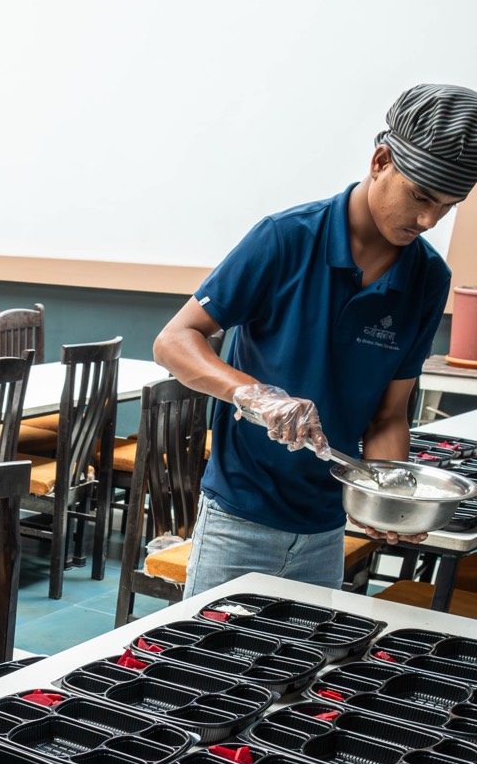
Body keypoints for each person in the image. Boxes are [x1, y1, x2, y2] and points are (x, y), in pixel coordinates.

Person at [154, 83, 477, 598]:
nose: (427, 221)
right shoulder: (285, 239)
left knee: (301, 671)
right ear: (381, 160)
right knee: (213, 669)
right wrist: (251, 393)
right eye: (420, 196)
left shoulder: (427, 279)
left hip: (328, 527)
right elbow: (175, 340)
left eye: (447, 206)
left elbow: (388, 416)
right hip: (240, 516)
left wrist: (384, 492)